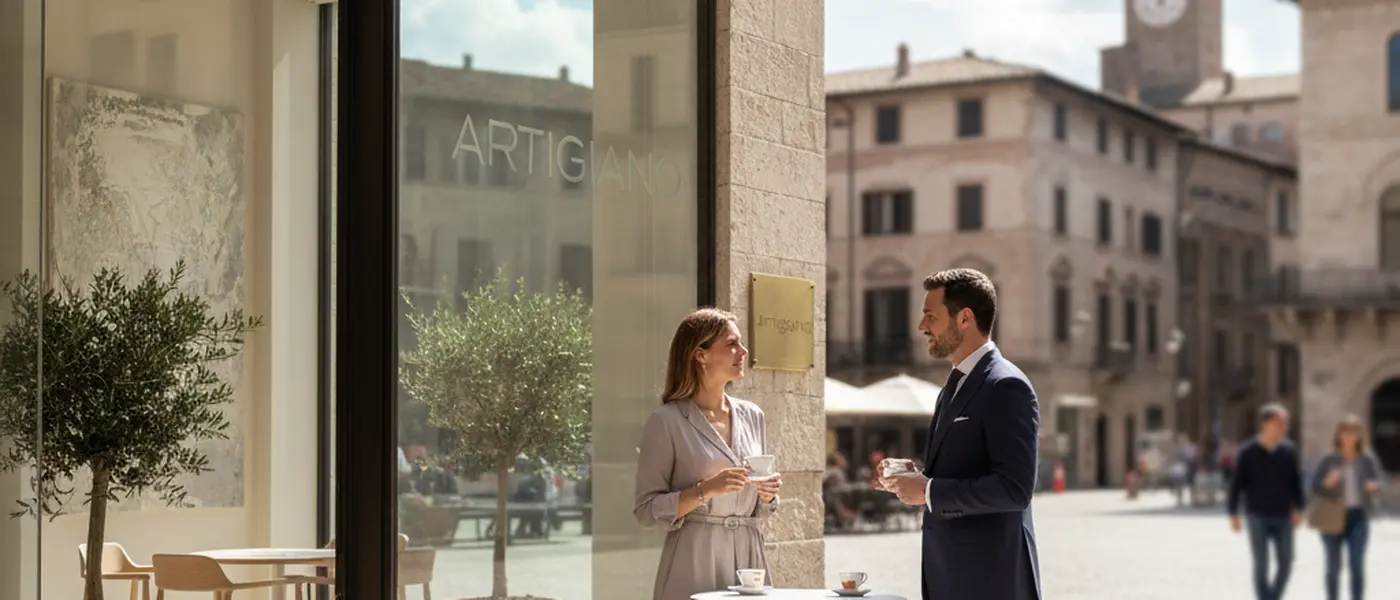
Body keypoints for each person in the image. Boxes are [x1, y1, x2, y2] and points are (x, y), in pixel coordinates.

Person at [877, 268, 1042, 600]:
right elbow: (962, 469)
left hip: (991, 580)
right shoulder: (951, 387)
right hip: (949, 577)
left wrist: (928, 492)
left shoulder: (1007, 386)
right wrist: (915, 478)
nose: (922, 327)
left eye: (930, 316)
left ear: (964, 319)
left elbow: (1014, 489)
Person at [633, 308, 782, 600]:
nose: (743, 351)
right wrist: (706, 490)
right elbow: (646, 510)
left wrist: (767, 495)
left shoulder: (753, 415)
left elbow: (763, 507)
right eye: (731, 344)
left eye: (740, 344)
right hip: (694, 557)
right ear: (700, 355)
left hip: (748, 558)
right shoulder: (666, 421)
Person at [1228, 403, 1305, 600]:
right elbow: (1237, 484)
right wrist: (1233, 513)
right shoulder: (1248, 451)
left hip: (1283, 515)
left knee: (1287, 562)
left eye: (1285, 423)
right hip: (1257, 515)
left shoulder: (1289, 450)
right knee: (1261, 565)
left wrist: (1299, 508)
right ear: (1265, 424)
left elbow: (1296, 481)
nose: (1284, 427)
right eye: (1279, 423)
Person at [1310, 414, 1386, 600]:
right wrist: (1327, 483)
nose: (1350, 436)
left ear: (1360, 435)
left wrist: (1374, 486)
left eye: (1354, 432)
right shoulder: (1328, 459)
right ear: (1338, 435)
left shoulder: (1367, 459)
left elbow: (1379, 482)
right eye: (1345, 432)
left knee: (1357, 565)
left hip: (1358, 516)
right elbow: (1313, 486)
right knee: (1333, 567)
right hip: (1332, 515)